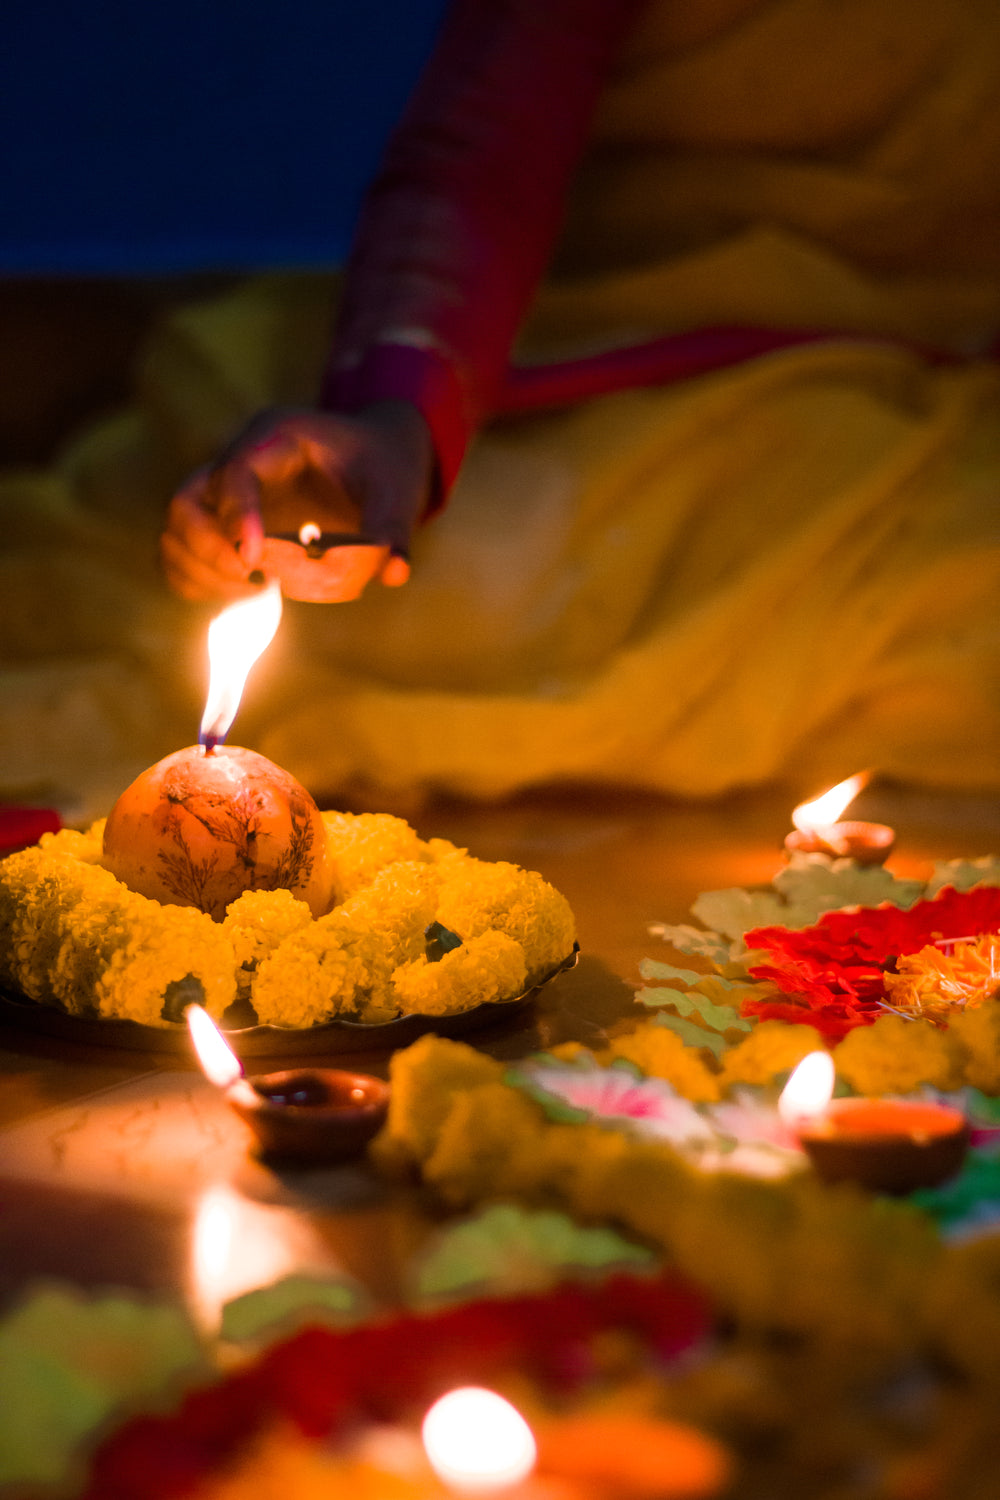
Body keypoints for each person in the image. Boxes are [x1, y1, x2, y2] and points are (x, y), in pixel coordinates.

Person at [5, 0, 1000, 818]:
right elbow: (485, 157)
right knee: (436, 591)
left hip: (933, 388)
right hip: (575, 344)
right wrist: (399, 422)